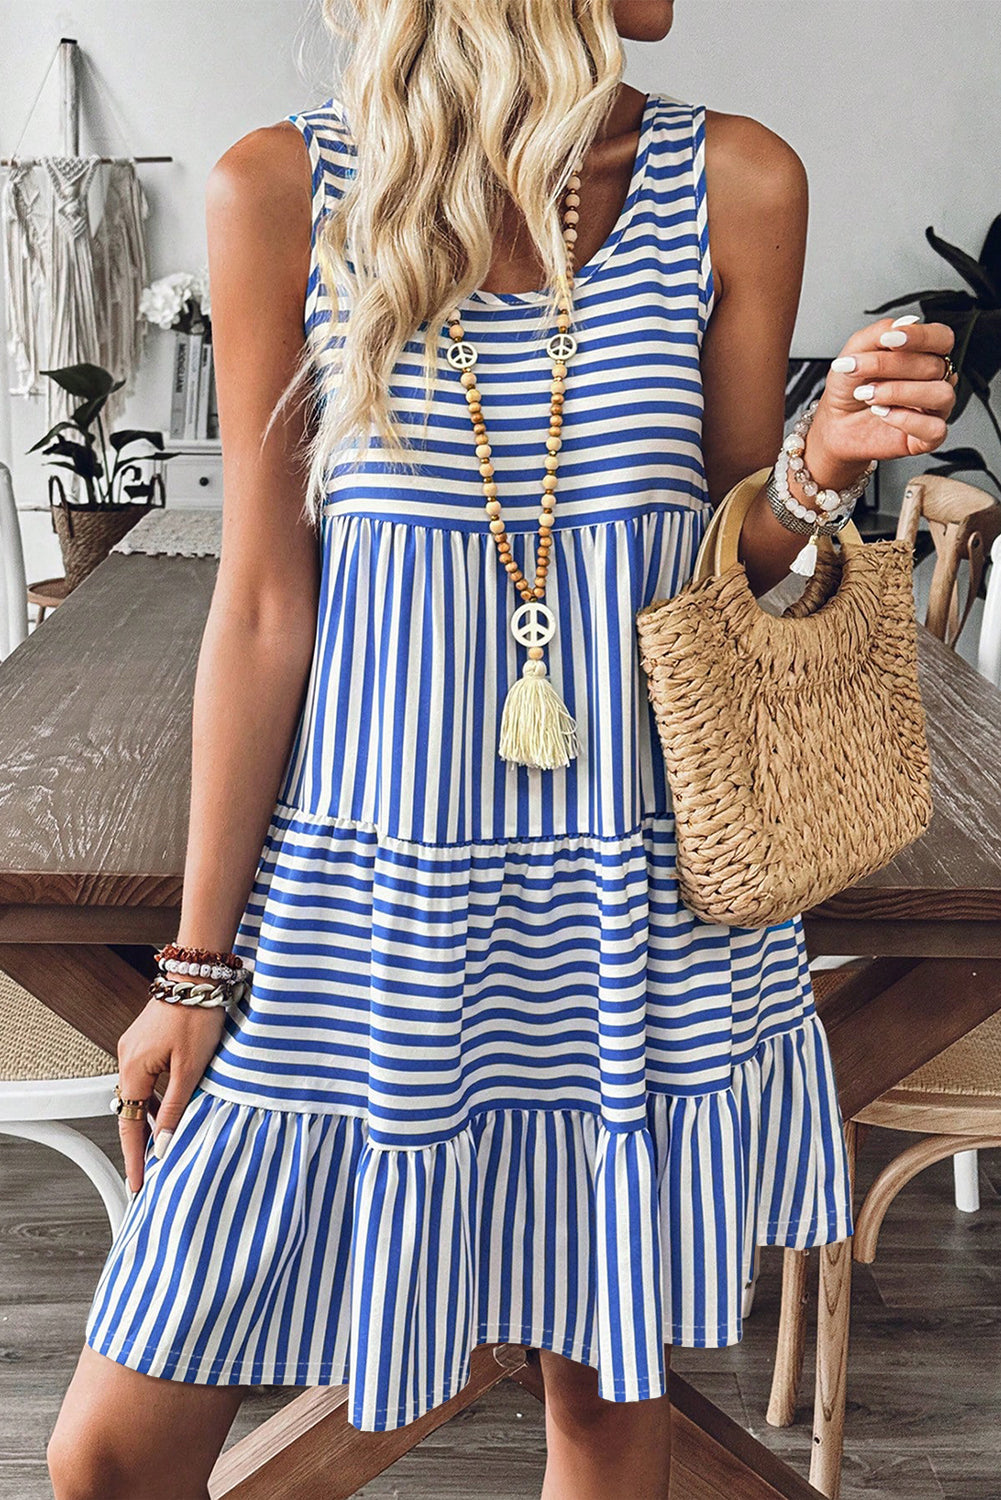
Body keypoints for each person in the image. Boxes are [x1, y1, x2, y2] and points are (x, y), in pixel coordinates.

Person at [47, 2, 956, 1497]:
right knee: (111, 1462)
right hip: (363, 908)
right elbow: (265, 609)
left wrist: (816, 470)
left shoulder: (734, 180)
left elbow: (732, 564)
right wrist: (197, 970)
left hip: (636, 904)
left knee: (604, 1419)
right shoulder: (280, 191)